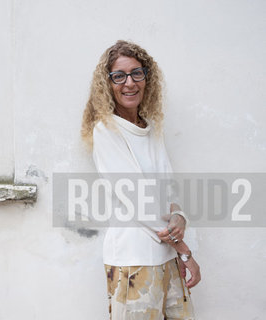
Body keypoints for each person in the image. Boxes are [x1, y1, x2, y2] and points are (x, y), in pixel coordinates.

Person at [81, 40, 201, 319]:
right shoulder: (106, 131)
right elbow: (138, 200)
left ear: (148, 77)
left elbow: (168, 186)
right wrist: (185, 251)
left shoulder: (152, 128)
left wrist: (180, 215)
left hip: (167, 257)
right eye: (118, 76)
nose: (129, 83)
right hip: (132, 261)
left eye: (137, 73)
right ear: (107, 83)